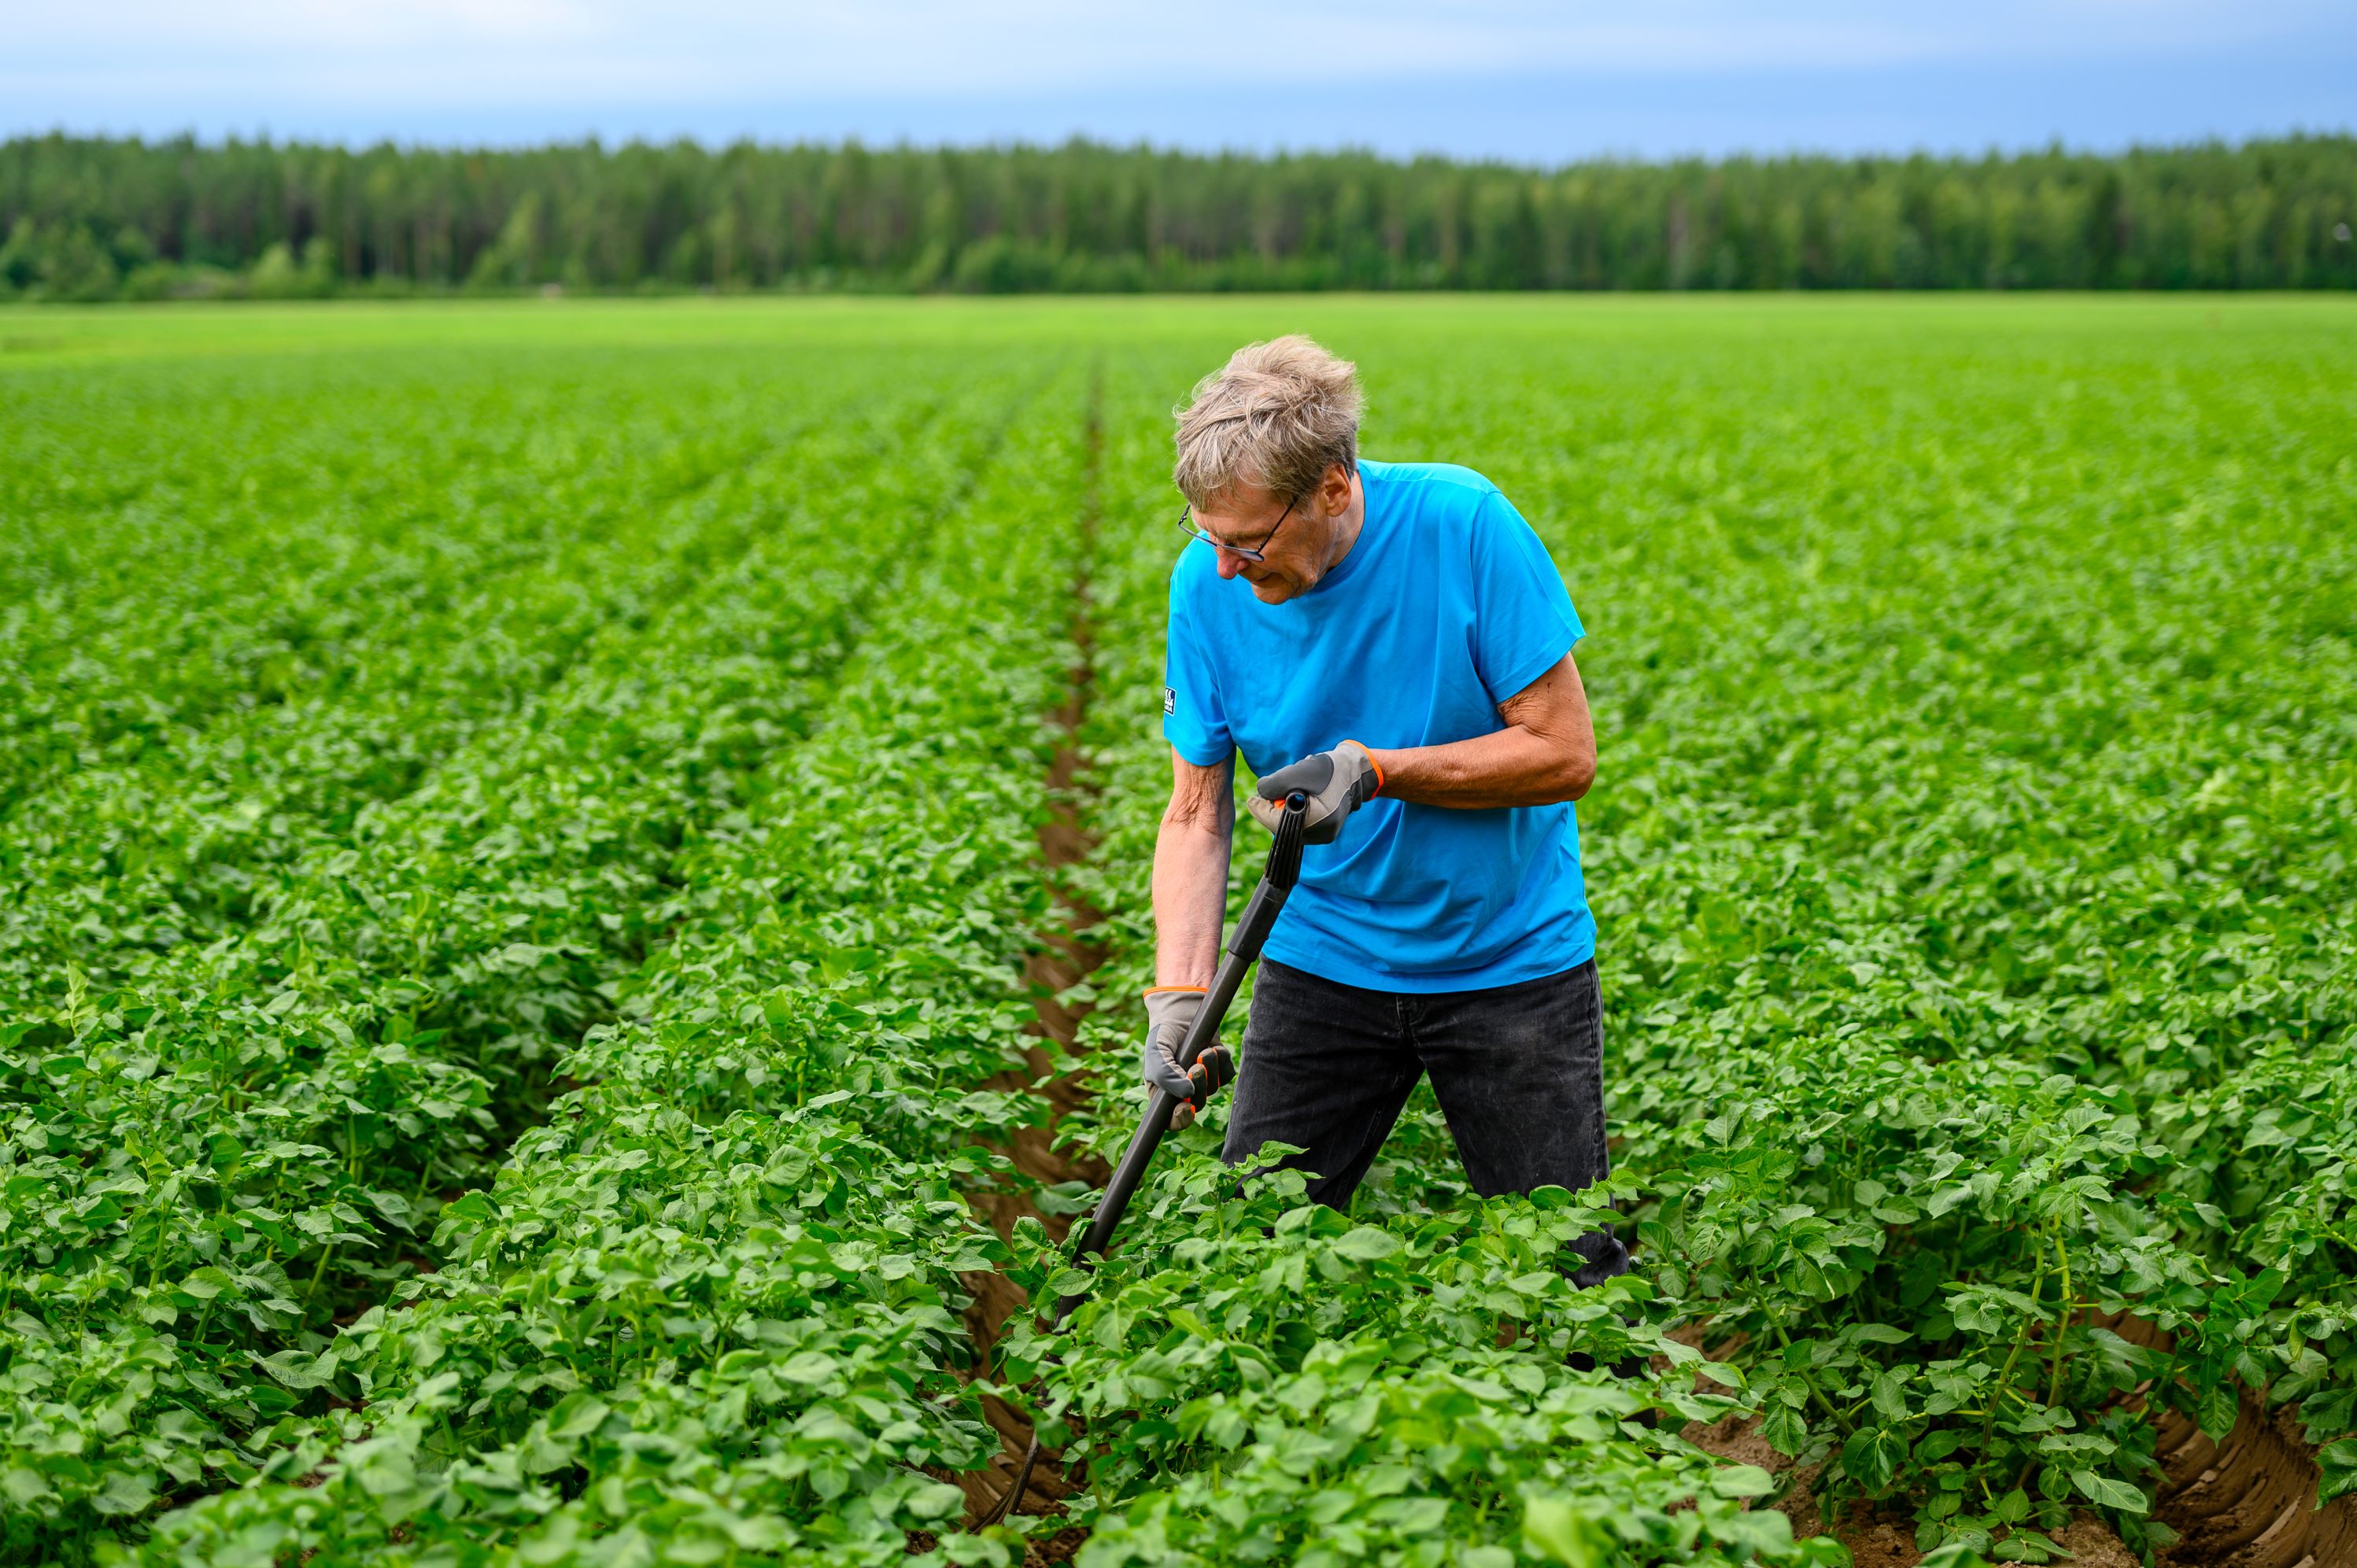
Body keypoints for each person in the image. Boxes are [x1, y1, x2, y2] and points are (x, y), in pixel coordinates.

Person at [1142, 334, 1627, 1286]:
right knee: (1254, 1258)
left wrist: (1378, 770)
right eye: (1211, 537)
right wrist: (1179, 997)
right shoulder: (1205, 585)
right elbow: (1195, 812)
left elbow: (1564, 752)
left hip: (1507, 963)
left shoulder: (1465, 525)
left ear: (1332, 485)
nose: (1229, 568)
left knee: (1575, 1279)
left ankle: (1597, 1427)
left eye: (1249, 540)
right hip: (1321, 957)